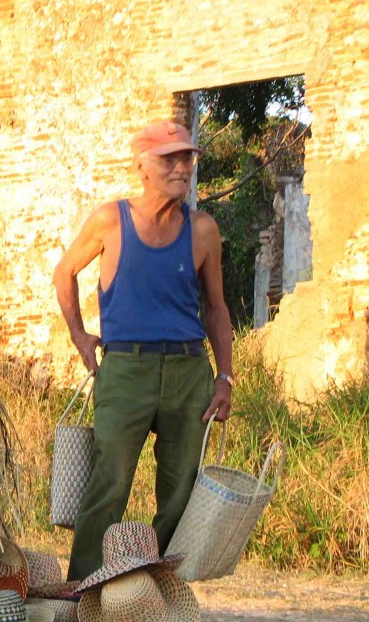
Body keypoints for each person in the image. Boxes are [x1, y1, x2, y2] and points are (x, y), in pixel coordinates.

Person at [53, 120, 234, 582]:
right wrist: (79, 335)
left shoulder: (203, 230)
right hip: (125, 367)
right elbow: (65, 272)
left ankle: (157, 591)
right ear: (141, 167)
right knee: (108, 480)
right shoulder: (110, 219)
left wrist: (225, 377)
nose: (181, 168)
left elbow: (216, 309)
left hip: (188, 370)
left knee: (181, 489)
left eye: (187, 158)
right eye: (169, 159)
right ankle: (82, 592)